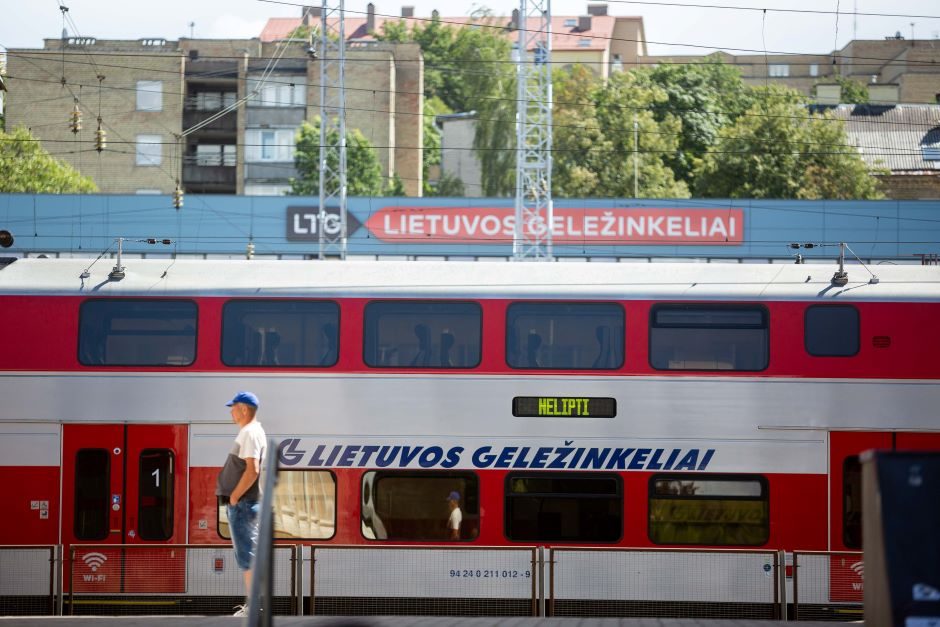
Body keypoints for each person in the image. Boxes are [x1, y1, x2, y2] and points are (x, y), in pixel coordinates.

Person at [216, 391, 267, 616]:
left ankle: (254, 606)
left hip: (243, 503)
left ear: (244, 409)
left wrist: (235, 496)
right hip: (244, 503)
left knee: (246, 555)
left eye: (233, 407)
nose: (231, 412)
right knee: (247, 554)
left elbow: (252, 469)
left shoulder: (250, 432)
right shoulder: (252, 432)